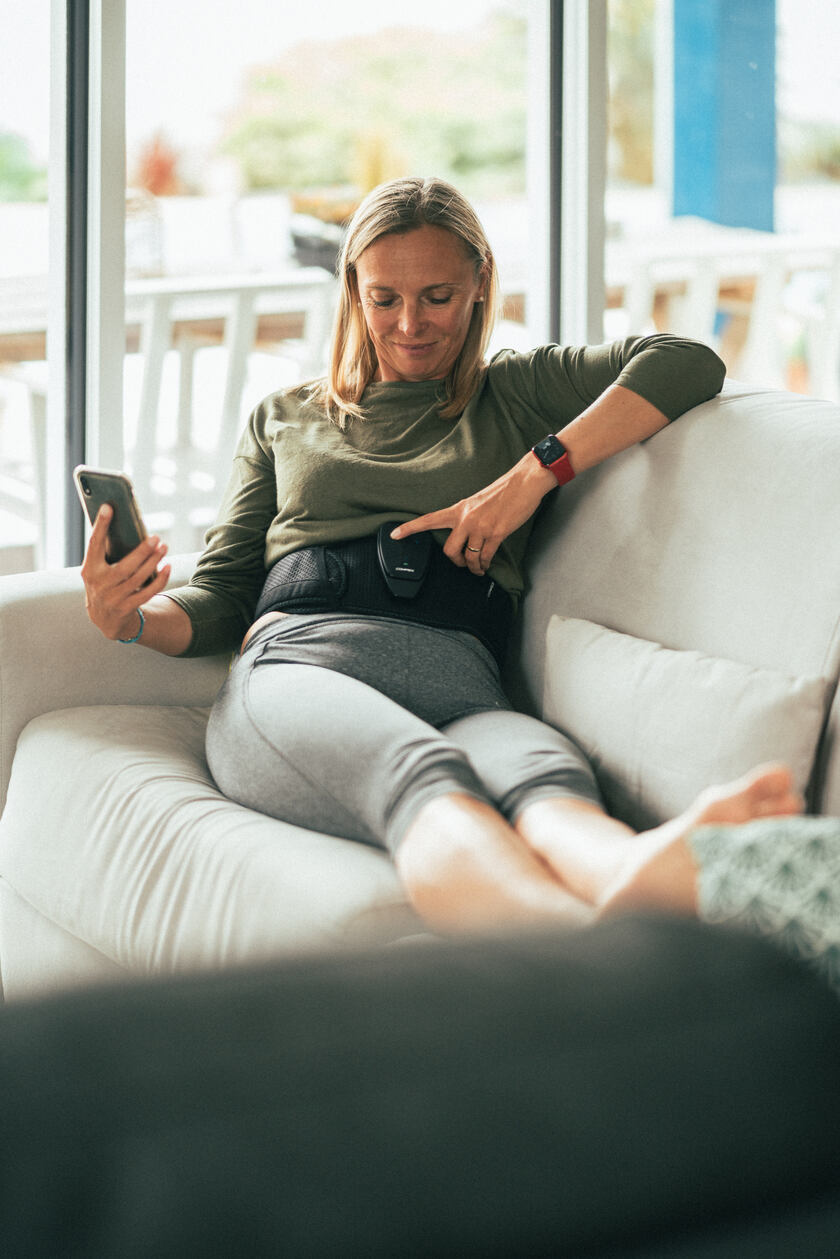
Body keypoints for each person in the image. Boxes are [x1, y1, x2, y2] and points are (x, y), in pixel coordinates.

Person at [81, 175, 801, 936]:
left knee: (544, 774)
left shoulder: (515, 392)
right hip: (302, 670)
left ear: (479, 285)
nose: (410, 325)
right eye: (384, 297)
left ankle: (630, 873)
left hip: (465, 682)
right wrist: (129, 616)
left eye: (438, 296)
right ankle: (578, 948)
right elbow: (224, 597)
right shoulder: (285, 416)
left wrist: (532, 474)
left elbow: (683, 360)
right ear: (353, 290)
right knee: (426, 776)